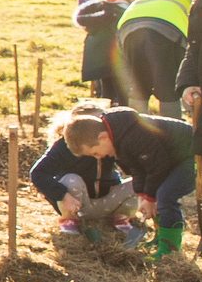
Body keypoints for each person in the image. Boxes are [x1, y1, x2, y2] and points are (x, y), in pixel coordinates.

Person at [60, 107, 193, 261]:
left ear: (103, 138)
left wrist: (150, 199)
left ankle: (169, 251)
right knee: (157, 192)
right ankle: (162, 238)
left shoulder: (133, 135)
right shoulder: (117, 138)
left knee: (165, 195)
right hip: (171, 160)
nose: (98, 157)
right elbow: (138, 169)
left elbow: (158, 167)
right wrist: (142, 195)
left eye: (96, 152)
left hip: (194, 155)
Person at [30, 102, 142, 246]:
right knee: (72, 180)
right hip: (76, 205)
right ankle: (70, 222)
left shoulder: (110, 143)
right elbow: (38, 173)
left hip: (107, 204)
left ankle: (121, 220)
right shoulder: (64, 148)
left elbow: (134, 169)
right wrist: (62, 196)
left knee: (138, 181)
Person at [115, 0, 201, 117]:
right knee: (168, 85)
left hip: (128, 26)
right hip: (165, 26)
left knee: (138, 85)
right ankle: (173, 133)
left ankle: (136, 131)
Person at [76, 0, 145, 105]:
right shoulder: (116, 8)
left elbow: (81, 18)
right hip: (113, 57)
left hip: (101, 57)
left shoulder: (106, 4)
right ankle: (119, 121)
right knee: (120, 93)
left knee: (108, 91)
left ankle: (108, 119)